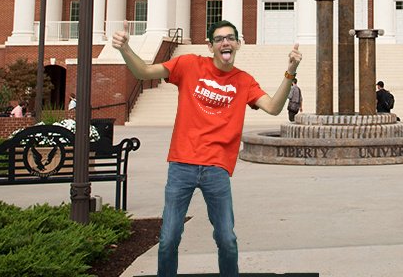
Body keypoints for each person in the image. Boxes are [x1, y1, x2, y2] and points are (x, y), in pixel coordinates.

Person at [112, 19, 301, 277]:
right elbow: (143, 72)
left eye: (231, 38)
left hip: (217, 168)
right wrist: (125, 49)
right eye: (220, 38)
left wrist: (290, 71)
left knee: (227, 240)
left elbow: (273, 108)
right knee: (169, 239)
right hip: (182, 164)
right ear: (210, 45)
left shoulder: (244, 81)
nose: (226, 42)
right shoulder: (188, 64)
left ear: (238, 44)